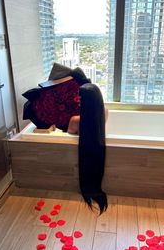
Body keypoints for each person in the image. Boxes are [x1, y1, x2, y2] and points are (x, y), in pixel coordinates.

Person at [22, 63, 108, 214]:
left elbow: (73, 127)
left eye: (80, 97)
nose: (78, 99)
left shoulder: (79, 118)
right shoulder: (101, 112)